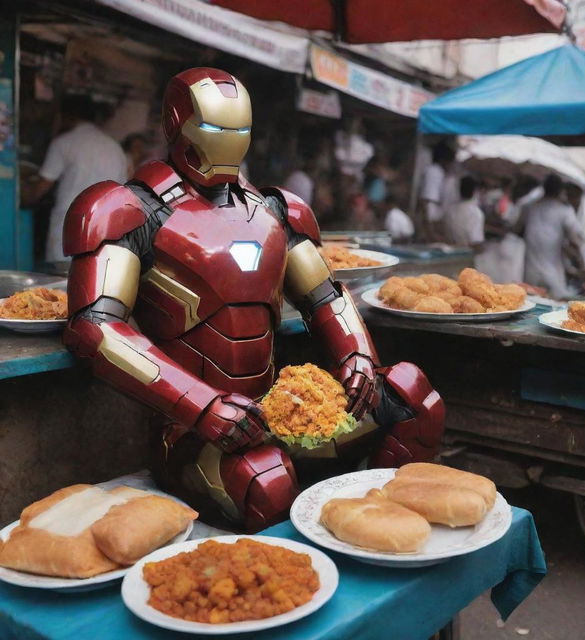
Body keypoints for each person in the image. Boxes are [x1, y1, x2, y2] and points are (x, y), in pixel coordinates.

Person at [61, 68, 445, 532]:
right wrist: (201, 406)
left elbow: (325, 296)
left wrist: (357, 356)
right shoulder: (124, 210)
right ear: (177, 124)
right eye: (217, 129)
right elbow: (95, 329)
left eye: (239, 130)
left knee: (412, 396)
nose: (229, 142)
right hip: (192, 432)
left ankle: (383, 532)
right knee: (266, 480)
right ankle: (291, 588)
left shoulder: (276, 210)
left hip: (280, 412)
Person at [22, 94, 127, 264]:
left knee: (60, 284)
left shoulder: (64, 143)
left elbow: (37, 190)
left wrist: (16, 192)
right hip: (105, 231)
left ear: (65, 115)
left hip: (69, 230)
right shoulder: (114, 148)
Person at [521, 174, 582, 298]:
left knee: (532, 300)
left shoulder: (530, 207)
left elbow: (517, 228)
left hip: (531, 269)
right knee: (556, 303)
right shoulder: (564, 210)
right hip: (553, 272)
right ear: (561, 191)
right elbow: (575, 240)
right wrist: (581, 263)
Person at [419, 140, 458, 242]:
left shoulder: (441, 174)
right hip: (431, 222)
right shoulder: (434, 172)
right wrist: (430, 231)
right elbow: (426, 202)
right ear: (443, 160)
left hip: (435, 222)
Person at [443, 176, 484, 251]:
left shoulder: (450, 210)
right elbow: (476, 243)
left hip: (451, 252)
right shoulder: (476, 213)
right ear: (475, 192)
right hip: (466, 256)